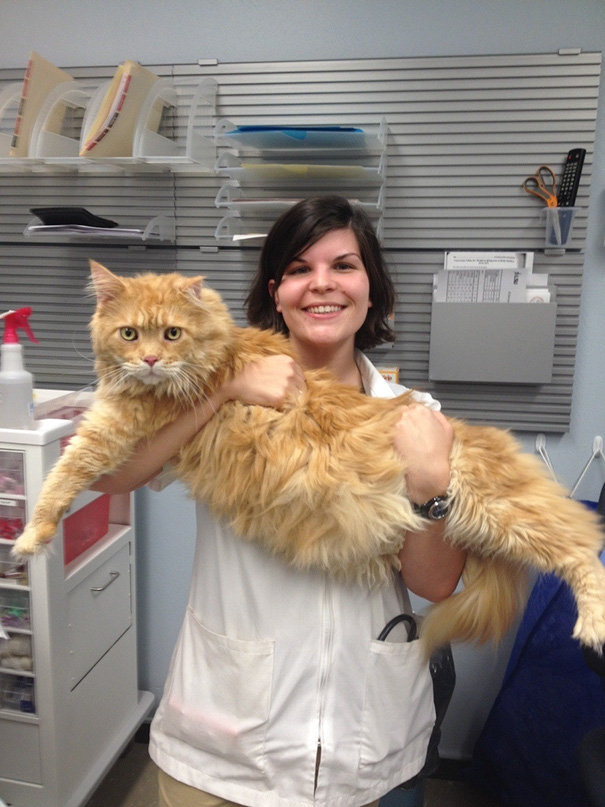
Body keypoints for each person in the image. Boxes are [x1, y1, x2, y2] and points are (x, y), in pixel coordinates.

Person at [95, 195, 465, 807]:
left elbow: (434, 584)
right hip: (223, 743)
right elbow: (107, 475)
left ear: (371, 289)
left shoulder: (415, 419)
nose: (321, 283)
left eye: (343, 266)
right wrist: (223, 391)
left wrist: (431, 484)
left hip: (358, 743)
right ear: (277, 293)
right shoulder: (209, 385)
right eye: (298, 269)